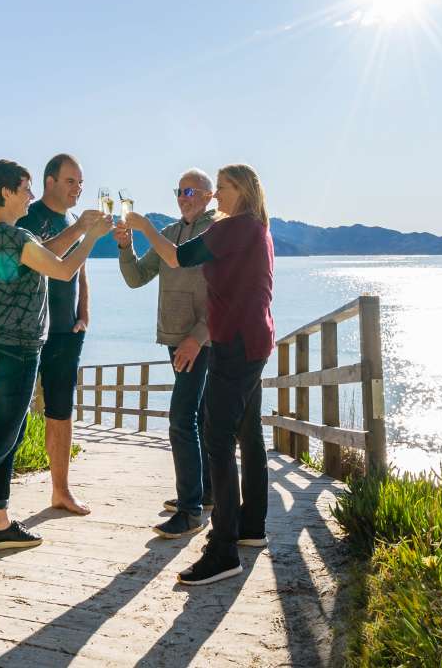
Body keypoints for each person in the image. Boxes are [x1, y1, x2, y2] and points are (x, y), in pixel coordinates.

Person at [0, 159, 111, 569]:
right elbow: (63, 269)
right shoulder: (12, 237)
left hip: (1, 348)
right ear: (7, 193)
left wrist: (82, 228)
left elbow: (48, 257)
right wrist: (92, 237)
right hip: (15, 351)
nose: (31, 196)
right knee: (0, 438)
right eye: (26, 189)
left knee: (8, 435)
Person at [120, 163, 275, 586]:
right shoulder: (254, 227)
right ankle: (250, 528)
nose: (219, 195)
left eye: (222, 188)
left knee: (217, 438)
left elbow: (180, 257)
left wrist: (145, 227)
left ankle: (222, 549)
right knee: (247, 432)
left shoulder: (234, 226)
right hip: (254, 340)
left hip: (236, 343)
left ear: (240, 190)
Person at [114, 167, 221, 538]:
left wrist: (198, 336)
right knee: (201, 416)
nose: (182, 197)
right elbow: (135, 278)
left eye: (190, 191)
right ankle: (205, 494)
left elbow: (224, 295)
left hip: (201, 341)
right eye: (179, 191)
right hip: (176, 338)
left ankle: (190, 511)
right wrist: (127, 246)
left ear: (210, 196)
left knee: (181, 419)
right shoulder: (171, 235)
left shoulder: (215, 232)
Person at [15, 153, 94, 515]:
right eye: (70, 181)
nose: (78, 188)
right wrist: (81, 232)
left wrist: (85, 313)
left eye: (80, 182)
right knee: (12, 414)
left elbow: (79, 270)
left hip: (66, 331)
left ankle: (61, 491)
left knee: (61, 411)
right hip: (31, 331)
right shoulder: (27, 219)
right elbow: (41, 258)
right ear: (49, 182)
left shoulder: (74, 219)